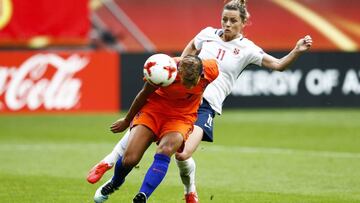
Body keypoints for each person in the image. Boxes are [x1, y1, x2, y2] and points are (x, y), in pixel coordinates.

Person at [87, 0, 313, 202]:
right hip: (179, 96)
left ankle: (189, 190)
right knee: (142, 133)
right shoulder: (207, 34)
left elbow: (278, 65)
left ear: (243, 23)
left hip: (206, 106)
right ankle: (110, 165)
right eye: (224, 19)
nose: (227, 24)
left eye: (233, 20)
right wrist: (176, 69)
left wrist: (297, 51)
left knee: (182, 153)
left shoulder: (247, 49)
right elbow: (189, 52)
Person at [92, 55, 219, 203]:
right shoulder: (163, 70)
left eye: (192, 82)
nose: (188, 86)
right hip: (153, 112)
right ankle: (115, 182)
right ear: (179, 72)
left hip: (181, 118)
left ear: (201, 74)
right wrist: (127, 120)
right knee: (129, 159)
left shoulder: (212, 69)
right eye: (185, 81)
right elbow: (143, 95)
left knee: (165, 150)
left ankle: (143, 196)